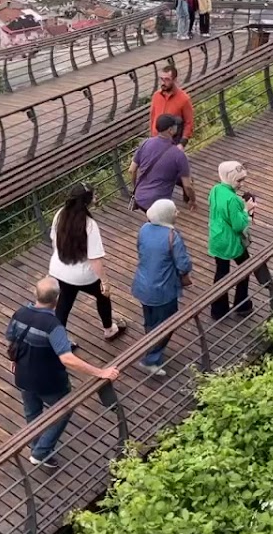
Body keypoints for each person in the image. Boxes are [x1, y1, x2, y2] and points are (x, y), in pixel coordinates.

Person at [6, 277, 119, 468]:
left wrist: (15, 360)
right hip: (49, 380)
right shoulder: (53, 326)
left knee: (33, 412)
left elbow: (11, 339)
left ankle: (36, 445)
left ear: (36, 294)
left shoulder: (20, 314)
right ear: (57, 300)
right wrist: (100, 372)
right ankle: (41, 452)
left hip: (23, 375)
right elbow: (67, 359)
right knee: (64, 409)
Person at [49, 183, 126, 342]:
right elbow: (94, 258)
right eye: (93, 195)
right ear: (86, 202)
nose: (95, 197)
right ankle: (109, 329)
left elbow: (54, 241)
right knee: (103, 296)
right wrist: (105, 281)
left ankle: (59, 341)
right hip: (83, 275)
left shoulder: (60, 214)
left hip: (60, 269)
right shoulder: (89, 224)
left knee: (64, 303)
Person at [131, 199, 193, 377]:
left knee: (150, 321)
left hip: (142, 286)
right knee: (167, 322)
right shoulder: (173, 236)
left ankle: (150, 345)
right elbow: (183, 265)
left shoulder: (144, 229)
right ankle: (150, 358)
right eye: (174, 211)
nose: (177, 213)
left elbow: (140, 250)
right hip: (163, 290)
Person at [208, 161, 256, 320]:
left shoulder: (216, 190)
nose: (241, 184)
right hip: (231, 241)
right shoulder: (233, 199)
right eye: (238, 180)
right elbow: (238, 225)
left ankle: (218, 309)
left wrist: (239, 208)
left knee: (221, 272)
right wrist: (246, 210)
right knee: (246, 268)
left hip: (217, 237)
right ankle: (242, 303)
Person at [130, 114, 196, 213]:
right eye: (176, 125)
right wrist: (192, 200)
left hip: (140, 199)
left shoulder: (145, 143)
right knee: (164, 224)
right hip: (159, 204)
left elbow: (131, 170)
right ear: (170, 130)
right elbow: (187, 185)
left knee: (152, 222)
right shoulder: (178, 155)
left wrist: (136, 188)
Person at [149, 62, 194, 146]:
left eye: (167, 79)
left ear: (174, 80)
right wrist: (151, 137)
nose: (163, 82)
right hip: (156, 140)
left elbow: (189, 123)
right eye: (162, 79)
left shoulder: (184, 99)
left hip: (172, 142)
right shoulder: (156, 96)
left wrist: (182, 143)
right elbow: (152, 117)